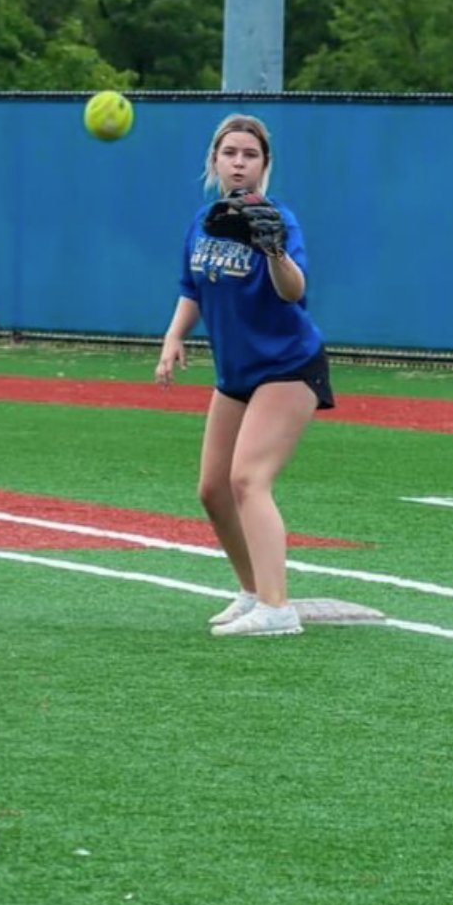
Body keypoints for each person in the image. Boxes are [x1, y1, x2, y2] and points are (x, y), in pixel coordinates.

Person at [154, 113, 334, 638]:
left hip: (288, 366)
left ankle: (278, 609)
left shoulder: (279, 220)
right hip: (237, 372)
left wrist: (273, 250)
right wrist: (173, 338)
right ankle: (253, 590)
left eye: (250, 155)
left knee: (248, 479)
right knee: (213, 489)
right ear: (214, 160)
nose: (239, 162)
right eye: (230, 153)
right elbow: (192, 286)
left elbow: (293, 291)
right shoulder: (205, 220)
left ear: (264, 165)